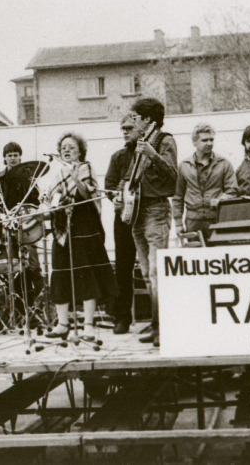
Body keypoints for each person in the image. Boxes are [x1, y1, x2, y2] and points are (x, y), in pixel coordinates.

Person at [44, 133, 117, 341]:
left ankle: (88, 326)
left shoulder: (87, 167)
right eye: (63, 147)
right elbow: (51, 199)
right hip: (62, 229)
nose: (66, 150)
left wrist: (76, 178)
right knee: (60, 273)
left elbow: (87, 195)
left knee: (86, 275)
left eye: (71, 147)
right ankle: (62, 323)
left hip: (84, 226)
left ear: (80, 151)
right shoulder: (57, 172)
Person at [127, 97, 178, 348]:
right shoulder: (141, 142)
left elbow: (172, 176)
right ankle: (157, 322)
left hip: (156, 209)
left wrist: (154, 155)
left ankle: (164, 326)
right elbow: (133, 176)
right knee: (147, 273)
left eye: (135, 117)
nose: (132, 122)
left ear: (147, 119)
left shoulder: (164, 140)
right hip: (138, 209)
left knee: (158, 273)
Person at [0, 141, 45, 306]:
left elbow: (35, 199)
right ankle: (19, 308)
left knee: (33, 266)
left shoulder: (27, 175)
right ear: (5, 158)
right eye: (9, 155)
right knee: (13, 268)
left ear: (20, 157)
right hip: (8, 225)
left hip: (26, 225)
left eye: (15, 155)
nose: (13, 158)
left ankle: (39, 306)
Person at [172, 123, 238, 241]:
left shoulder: (224, 163)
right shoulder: (184, 165)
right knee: (194, 256)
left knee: (218, 255)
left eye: (211, 140)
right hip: (193, 222)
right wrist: (178, 223)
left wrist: (221, 199)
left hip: (216, 220)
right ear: (194, 142)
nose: (209, 143)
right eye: (204, 140)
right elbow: (178, 196)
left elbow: (233, 190)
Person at [104, 113, 139, 335]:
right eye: (122, 128)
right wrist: (115, 195)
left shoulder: (146, 154)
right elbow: (108, 185)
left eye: (129, 127)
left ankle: (157, 319)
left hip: (144, 216)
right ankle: (122, 317)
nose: (125, 131)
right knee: (124, 268)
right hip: (123, 217)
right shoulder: (117, 157)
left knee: (149, 267)